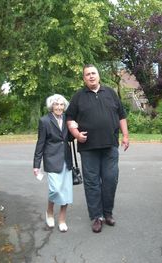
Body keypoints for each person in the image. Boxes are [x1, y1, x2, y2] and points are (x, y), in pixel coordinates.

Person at [66, 64, 129, 233]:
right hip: (88, 149)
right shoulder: (78, 96)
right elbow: (70, 118)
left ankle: (107, 213)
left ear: (99, 75)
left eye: (93, 73)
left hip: (110, 146)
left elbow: (121, 115)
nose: (91, 76)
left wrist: (126, 136)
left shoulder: (110, 93)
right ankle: (96, 217)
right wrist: (76, 134)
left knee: (110, 180)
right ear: (84, 78)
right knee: (92, 183)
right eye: (87, 74)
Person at [33, 94, 73, 232]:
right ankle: (49, 211)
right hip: (51, 159)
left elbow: (70, 138)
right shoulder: (44, 121)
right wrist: (36, 165)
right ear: (51, 106)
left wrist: (75, 127)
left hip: (66, 160)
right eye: (56, 104)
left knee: (66, 191)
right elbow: (40, 143)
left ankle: (62, 219)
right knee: (55, 189)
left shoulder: (68, 119)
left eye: (62, 104)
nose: (59, 107)